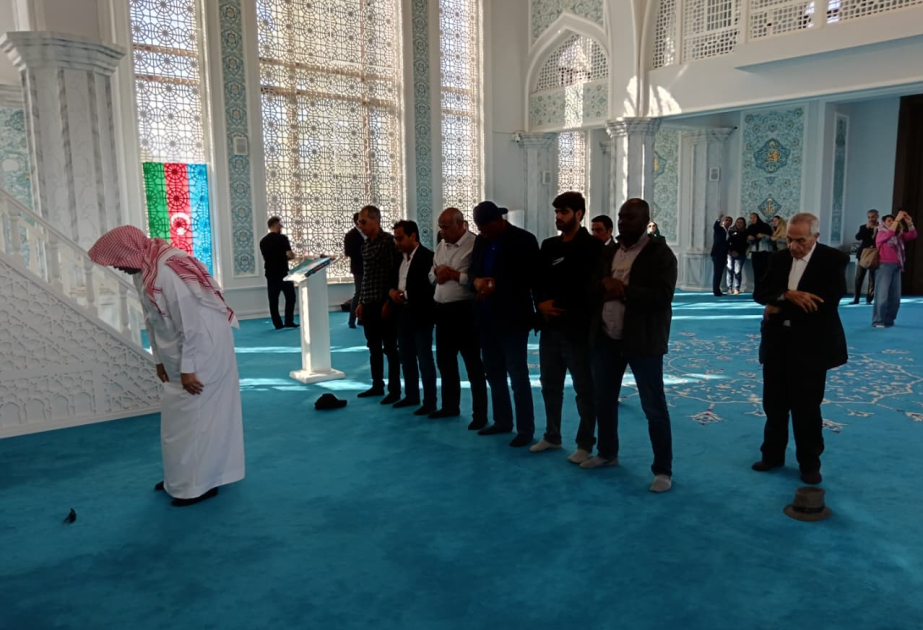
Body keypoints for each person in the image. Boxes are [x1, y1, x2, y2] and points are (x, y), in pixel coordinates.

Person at [88, 226, 245, 507]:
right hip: (179, 351)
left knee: (197, 418)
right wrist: (158, 360)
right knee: (180, 420)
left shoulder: (167, 271)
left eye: (117, 261)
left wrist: (188, 369)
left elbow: (192, 324)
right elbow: (152, 319)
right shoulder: (144, 269)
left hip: (203, 351)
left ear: (129, 252)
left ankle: (199, 483)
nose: (117, 267)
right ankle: (181, 478)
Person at [585, 198, 677, 494]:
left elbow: (663, 297)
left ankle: (662, 470)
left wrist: (623, 291)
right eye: (621, 216)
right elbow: (592, 285)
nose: (623, 222)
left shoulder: (660, 254)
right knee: (604, 400)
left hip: (643, 341)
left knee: (653, 407)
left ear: (646, 221)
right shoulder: (609, 251)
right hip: (606, 338)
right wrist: (604, 286)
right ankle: (607, 453)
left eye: (631, 218)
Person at [752, 213, 848, 485]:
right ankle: (772, 456)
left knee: (807, 409)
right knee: (774, 405)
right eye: (789, 240)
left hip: (811, 346)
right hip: (777, 344)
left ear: (815, 237)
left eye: (800, 241)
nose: (793, 246)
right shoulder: (779, 258)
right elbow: (760, 293)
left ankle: (809, 463)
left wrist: (778, 305)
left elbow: (824, 303)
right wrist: (787, 295)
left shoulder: (833, 260)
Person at [530, 192, 602, 464]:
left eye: (564, 212)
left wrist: (559, 304)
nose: (559, 217)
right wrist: (541, 304)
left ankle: (585, 443)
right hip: (550, 328)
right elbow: (537, 281)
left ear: (579, 214)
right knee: (550, 385)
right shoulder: (549, 246)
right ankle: (552, 435)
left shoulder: (593, 247)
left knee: (584, 389)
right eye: (557, 212)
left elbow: (589, 289)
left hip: (578, 330)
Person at [469, 201, 540, 448]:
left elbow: (532, 279)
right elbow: (472, 271)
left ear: (498, 221)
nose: (483, 234)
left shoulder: (524, 240)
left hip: (513, 319)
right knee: (493, 373)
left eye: (486, 229)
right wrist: (477, 282)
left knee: (517, 376)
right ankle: (502, 420)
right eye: (480, 230)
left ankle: (525, 428)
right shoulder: (481, 241)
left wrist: (497, 285)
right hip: (486, 317)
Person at [429, 208, 489, 429]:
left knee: (473, 364)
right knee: (445, 362)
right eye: (440, 227)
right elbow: (431, 273)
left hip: (464, 311)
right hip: (442, 311)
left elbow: (475, 279)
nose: (442, 231)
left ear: (460, 224)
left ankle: (480, 415)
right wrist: (438, 274)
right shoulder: (441, 245)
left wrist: (453, 274)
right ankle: (450, 406)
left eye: (446, 227)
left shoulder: (475, 244)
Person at [389, 220, 437, 416]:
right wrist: (392, 292)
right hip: (402, 313)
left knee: (424, 358)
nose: (397, 242)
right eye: (395, 238)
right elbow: (392, 281)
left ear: (413, 236)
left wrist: (405, 295)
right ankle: (411, 395)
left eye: (400, 238)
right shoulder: (398, 258)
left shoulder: (428, 257)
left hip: (421, 313)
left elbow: (428, 288)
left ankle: (430, 401)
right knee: (406, 356)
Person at [356, 205, 402, 403]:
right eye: (359, 222)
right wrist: (361, 301)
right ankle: (377, 385)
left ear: (376, 220)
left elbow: (394, 274)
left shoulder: (389, 242)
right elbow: (366, 277)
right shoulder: (365, 245)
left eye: (363, 222)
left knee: (390, 348)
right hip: (368, 304)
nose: (360, 226)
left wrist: (389, 302)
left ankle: (394, 390)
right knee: (373, 347)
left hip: (384, 304)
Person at [873, 210, 918, 328]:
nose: (892, 222)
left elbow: (913, 235)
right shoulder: (881, 233)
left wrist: (909, 222)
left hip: (897, 266)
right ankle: (878, 321)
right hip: (884, 266)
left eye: (893, 220)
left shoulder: (898, 236)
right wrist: (897, 219)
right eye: (889, 221)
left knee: (895, 297)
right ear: (883, 223)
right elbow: (889, 233)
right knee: (882, 295)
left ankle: (889, 320)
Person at [259, 216, 298, 330]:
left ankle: (277, 324)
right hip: (283, 272)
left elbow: (266, 257)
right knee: (290, 297)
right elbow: (290, 254)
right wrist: (290, 257)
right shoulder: (282, 238)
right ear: (275, 224)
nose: (281, 226)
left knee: (273, 300)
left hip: (270, 272)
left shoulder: (263, 241)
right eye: (280, 224)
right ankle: (289, 321)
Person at [851, 209, 879, 305]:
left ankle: (869, 299)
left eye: (873, 217)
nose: (871, 219)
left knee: (872, 278)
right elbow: (858, 237)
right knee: (859, 277)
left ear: (877, 216)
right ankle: (856, 299)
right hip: (863, 255)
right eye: (869, 217)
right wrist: (867, 228)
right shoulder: (863, 227)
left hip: (875, 255)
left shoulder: (882, 227)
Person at [344, 213, 365, 328]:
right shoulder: (350, 235)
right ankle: (351, 319)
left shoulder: (367, 233)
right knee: (359, 293)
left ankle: (361, 319)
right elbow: (348, 252)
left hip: (368, 267)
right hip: (358, 268)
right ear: (357, 222)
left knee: (365, 294)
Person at [746, 213, 774, 292]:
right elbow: (747, 241)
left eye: (754, 217)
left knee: (765, 271)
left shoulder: (765, 226)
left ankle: (765, 290)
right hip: (755, 252)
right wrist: (748, 238)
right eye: (751, 218)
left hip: (765, 251)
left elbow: (772, 239)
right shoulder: (750, 228)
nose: (752, 219)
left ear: (758, 218)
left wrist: (764, 235)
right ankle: (757, 290)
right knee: (756, 271)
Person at [726, 217, 749, 295]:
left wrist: (738, 252)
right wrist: (731, 251)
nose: (739, 224)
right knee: (730, 270)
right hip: (730, 253)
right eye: (738, 222)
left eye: (741, 222)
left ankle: (737, 288)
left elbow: (745, 244)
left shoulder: (746, 232)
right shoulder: (731, 231)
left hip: (740, 254)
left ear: (744, 224)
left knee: (737, 271)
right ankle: (729, 288)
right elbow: (728, 242)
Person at [711, 214, 732, 296]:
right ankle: (716, 291)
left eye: (730, 221)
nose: (728, 221)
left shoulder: (729, 232)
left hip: (723, 255)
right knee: (717, 273)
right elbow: (715, 226)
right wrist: (719, 218)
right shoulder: (719, 229)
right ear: (723, 221)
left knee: (719, 273)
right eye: (726, 220)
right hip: (717, 254)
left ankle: (718, 290)